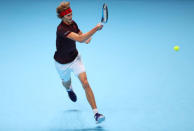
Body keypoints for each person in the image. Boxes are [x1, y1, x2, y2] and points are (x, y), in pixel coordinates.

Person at [54, 1, 105, 124]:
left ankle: (96, 113)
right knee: (66, 83)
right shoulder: (61, 29)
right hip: (62, 63)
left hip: (75, 59)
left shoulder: (73, 24)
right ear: (62, 17)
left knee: (85, 83)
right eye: (68, 16)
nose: (71, 17)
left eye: (71, 14)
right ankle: (69, 89)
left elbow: (81, 34)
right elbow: (80, 39)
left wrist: (87, 38)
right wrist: (95, 29)